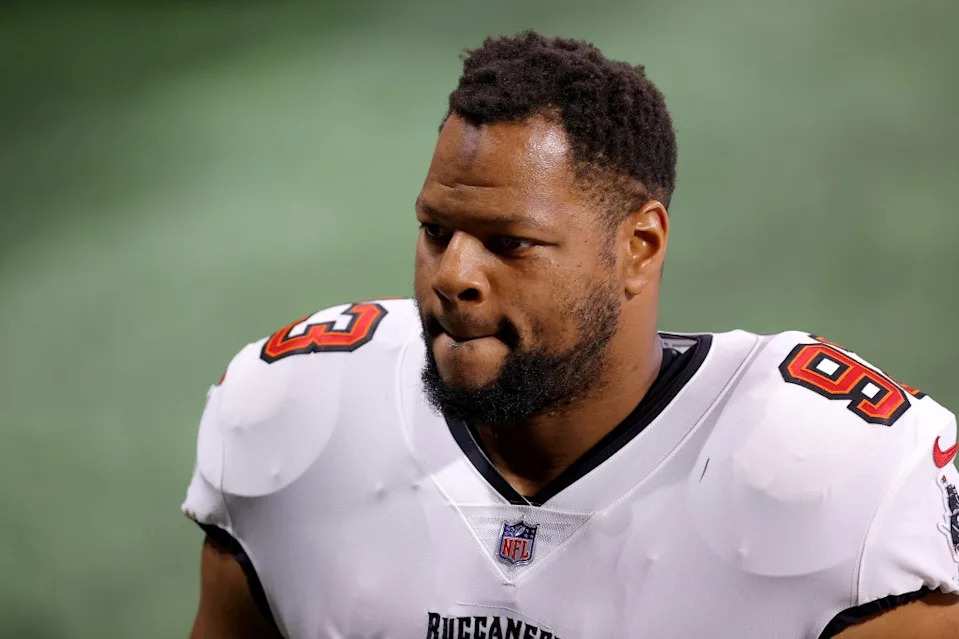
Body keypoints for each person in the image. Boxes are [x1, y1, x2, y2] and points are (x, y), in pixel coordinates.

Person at [182, 31, 959, 638]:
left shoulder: (833, 478)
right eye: (435, 228)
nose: (451, 273)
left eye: (508, 241)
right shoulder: (300, 414)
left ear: (638, 246)